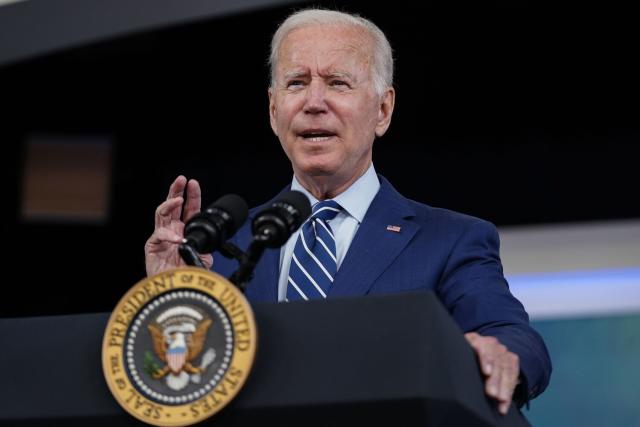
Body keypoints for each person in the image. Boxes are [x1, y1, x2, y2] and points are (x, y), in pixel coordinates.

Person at [145, 8, 551, 415]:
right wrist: (167, 299)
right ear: (273, 109)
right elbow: (178, 382)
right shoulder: (222, 246)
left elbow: (514, 337)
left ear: (382, 110)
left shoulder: (448, 240)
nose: (314, 102)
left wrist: (499, 356)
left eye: (338, 83)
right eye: (296, 83)